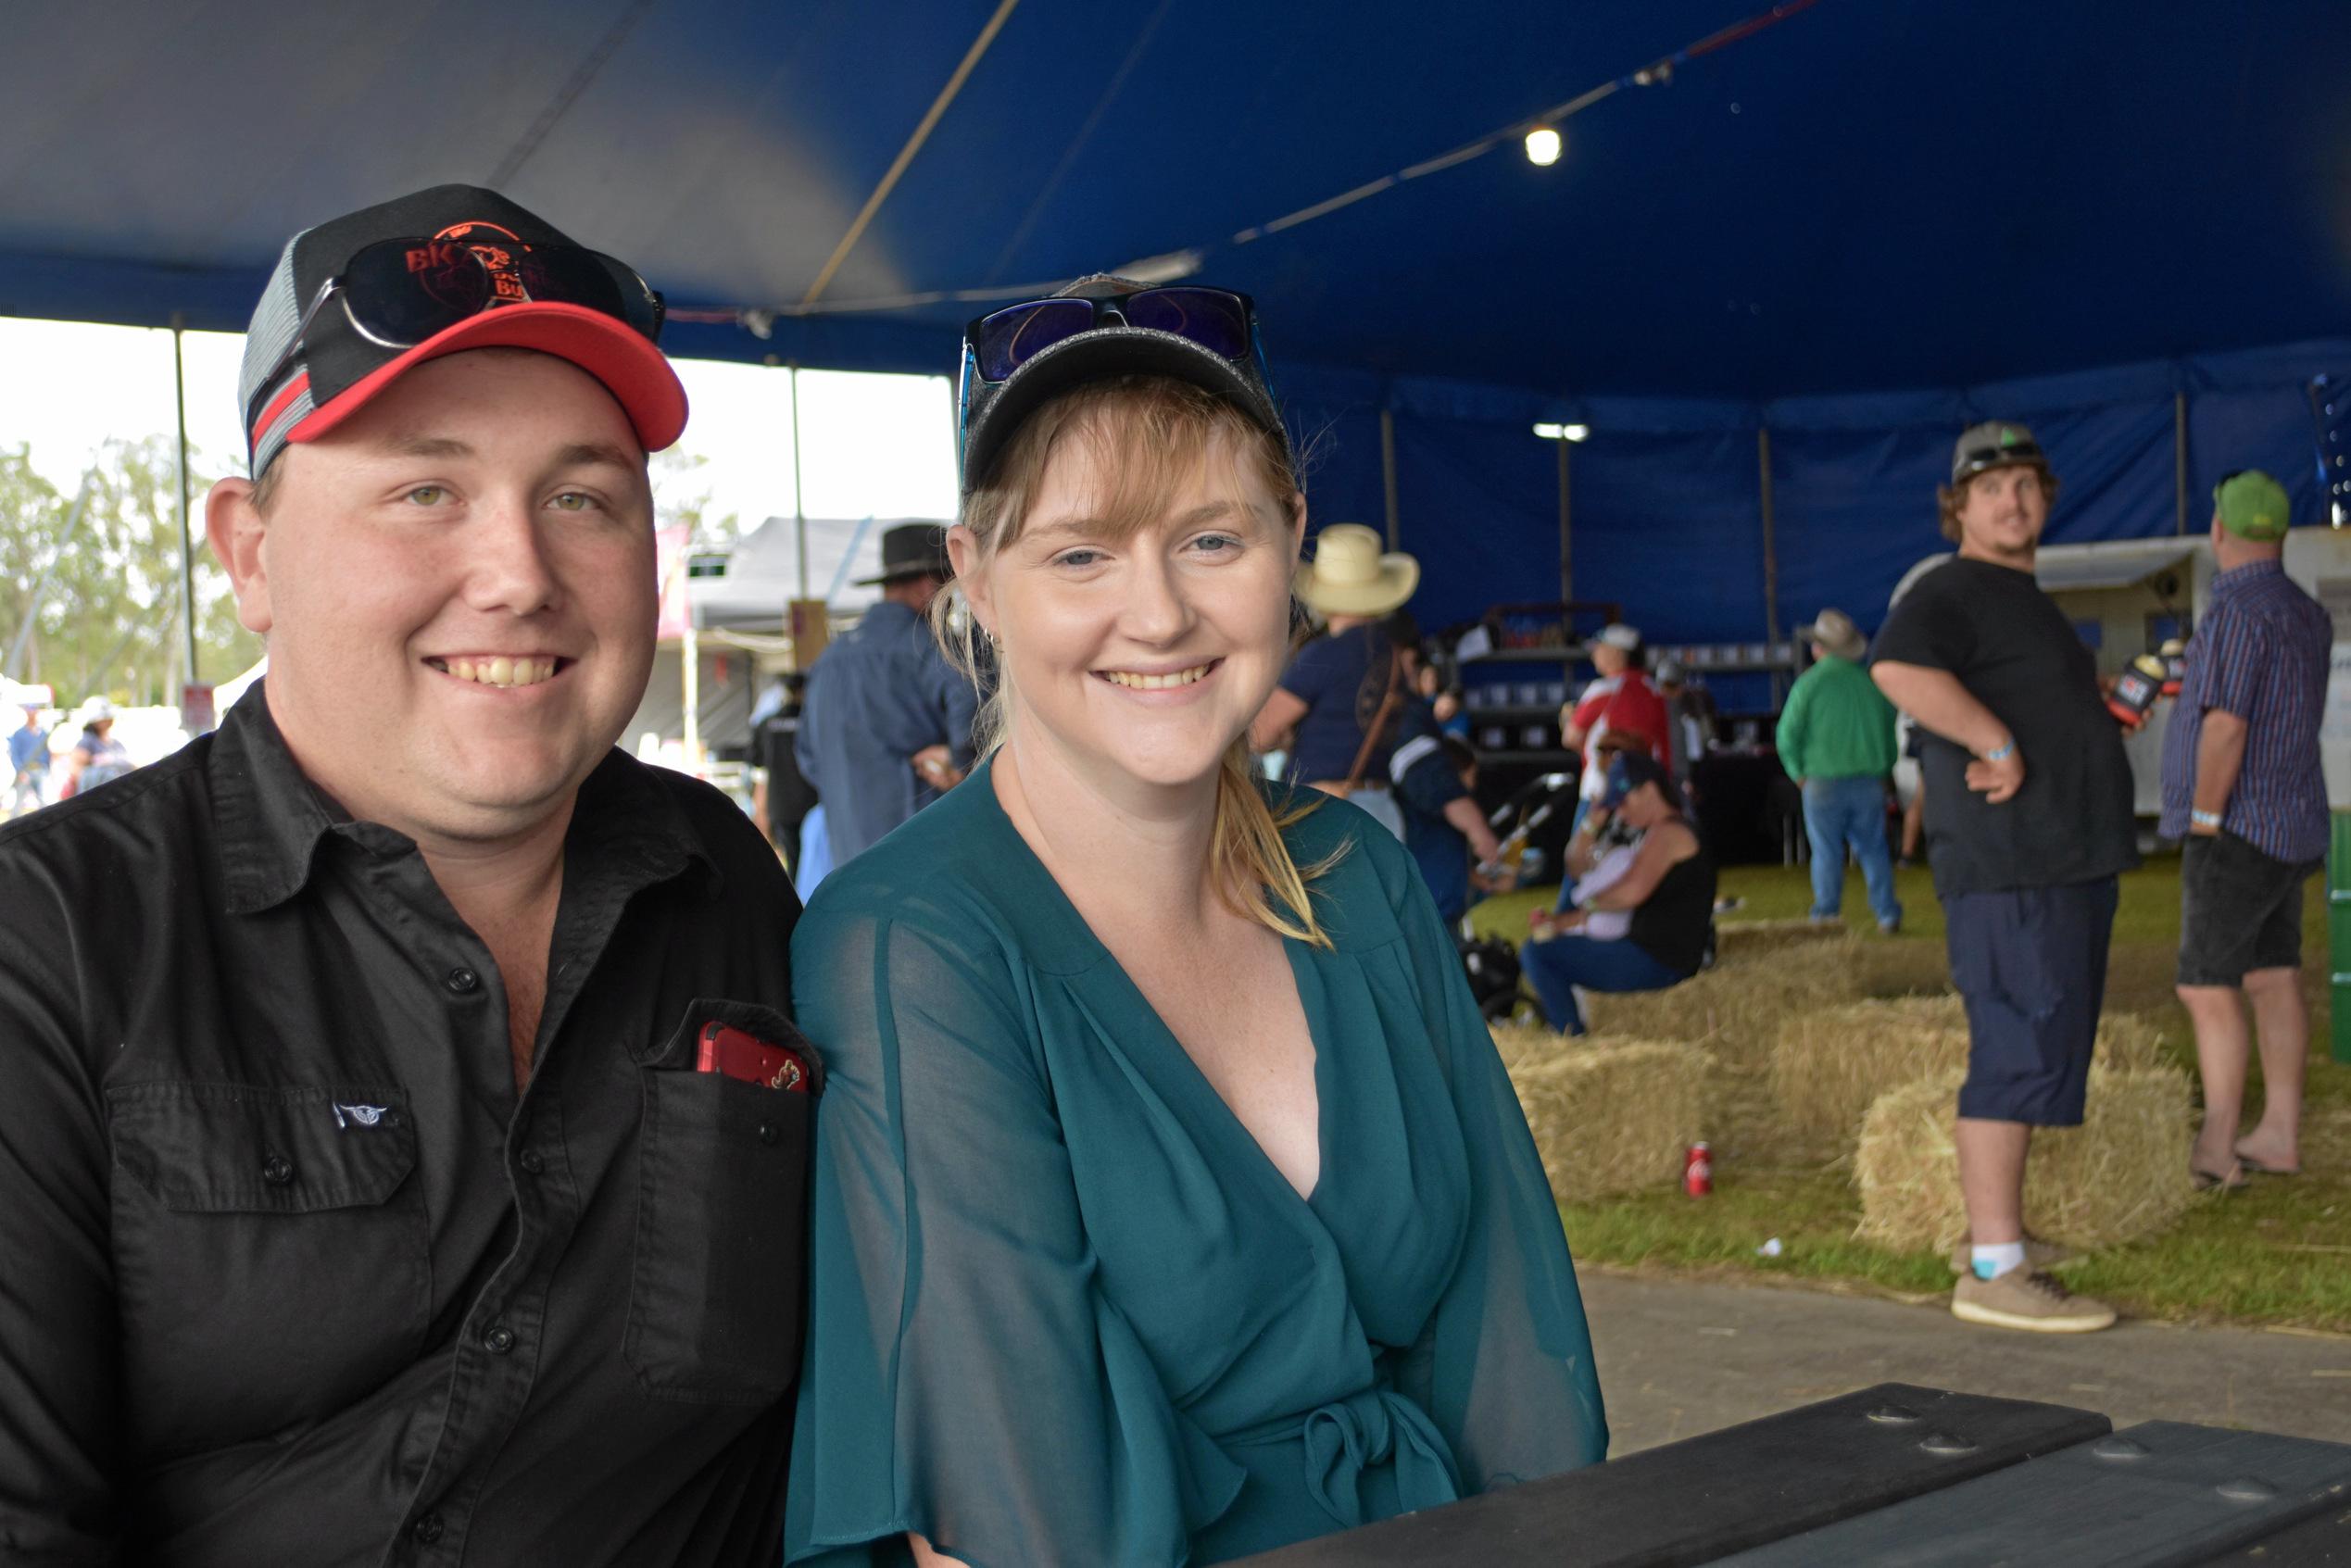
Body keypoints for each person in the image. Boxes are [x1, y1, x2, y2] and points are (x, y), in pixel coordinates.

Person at [0, 185, 811, 1564]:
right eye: (425, 489)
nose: (517, 574)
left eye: (580, 496)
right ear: (250, 553)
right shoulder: (56, 939)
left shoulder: (724, 882)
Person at [786, 275, 1605, 1567]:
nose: (1159, 611)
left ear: (1287, 540)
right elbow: (1027, 1518)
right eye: (1079, 553)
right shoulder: (911, 945)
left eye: (1211, 540)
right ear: (976, 579)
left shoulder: (1357, 875)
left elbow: (1515, 1349)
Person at [1872, 420, 2137, 1335]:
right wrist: (1994, 740)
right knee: (2016, 1048)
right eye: (1991, 489)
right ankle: (1993, 1267)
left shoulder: (2019, 597)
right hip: (2012, 863)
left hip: (2060, 856)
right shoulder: (1952, 589)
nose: (2012, 501)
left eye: (2025, 484)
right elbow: (1897, 668)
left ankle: (1998, 1231)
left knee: (2042, 1036)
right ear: (1960, 508)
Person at [2159, 469, 2330, 1187]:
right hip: (2291, 822)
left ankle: (2217, 1146)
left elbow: (2225, 727)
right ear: (2282, 534)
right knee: (2272, 974)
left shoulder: (2232, 612)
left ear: (2219, 531)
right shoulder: (2304, 611)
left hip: (2236, 825)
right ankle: (2278, 1132)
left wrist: (2204, 816)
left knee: (2206, 984)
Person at [794, 523, 978, 872]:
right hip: (926, 853)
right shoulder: (927, 644)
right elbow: (972, 705)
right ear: (929, 585)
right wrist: (957, 761)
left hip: (849, 859)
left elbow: (808, 757)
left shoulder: (828, 660)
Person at [1521, 751, 1716, 1035]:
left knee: (1537, 953)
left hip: (1659, 962)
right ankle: (1566, 1031)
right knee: (1542, 949)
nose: (1621, 812)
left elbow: (1630, 892)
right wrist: (1591, 822)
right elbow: (1575, 867)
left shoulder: (1670, 833)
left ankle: (1569, 1037)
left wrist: (1578, 911)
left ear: (1649, 789)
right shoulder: (1657, 830)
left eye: (1623, 802)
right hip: (1655, 954)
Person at [1251, 522, 1420, 838]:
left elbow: (1260, 733)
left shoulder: (1325, 653)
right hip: (1380, 803)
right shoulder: (1393, 655)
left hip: (1323, 809)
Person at [1777, 607, 1903, 934]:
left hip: (1821, 782)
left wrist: (1797, 772)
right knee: (1874, 849)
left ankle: (1827, 916)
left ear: (1820, 648)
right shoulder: (1872, 684)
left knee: (1826, 852)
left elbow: (1786, 735)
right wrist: (1884, 771)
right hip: (1868, 782)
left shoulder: (1808, 684)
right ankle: (1886, 914)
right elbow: (1891, 738)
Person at [1559, 623, 1672, 834]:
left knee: (1581, 860)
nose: (1594, 654)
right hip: (1648, 796)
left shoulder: (1604, 689)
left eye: (1599, 648)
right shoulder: (1655, 691)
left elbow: (1571, 737)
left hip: (1602, 796)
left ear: (1618, 653)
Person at [1654, 657, 1717, 800]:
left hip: (1685, 777)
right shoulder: (1654, 708)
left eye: (1671, 686)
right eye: (1663, 686)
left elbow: (1702, 745)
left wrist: (1692, 779)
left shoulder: (1693, 707)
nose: (1666, 692)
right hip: (1662, 776)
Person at [58, 696, 134, 797]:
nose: (108, 720)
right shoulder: (87, 742)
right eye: (104, 718)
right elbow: (76, 771)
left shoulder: (117, 744)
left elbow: (130, 767)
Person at [7, 705, 47, 815]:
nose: (32, 713)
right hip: (25, 771)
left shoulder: (43, 733)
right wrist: (20, 771)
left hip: (41, 770)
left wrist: (46, 767)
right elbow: (14, 754)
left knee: (45, 802)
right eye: (30, 711)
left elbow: (46, 753)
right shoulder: (19, 734)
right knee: (19, 803)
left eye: (34, 711)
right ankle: (12, 828)